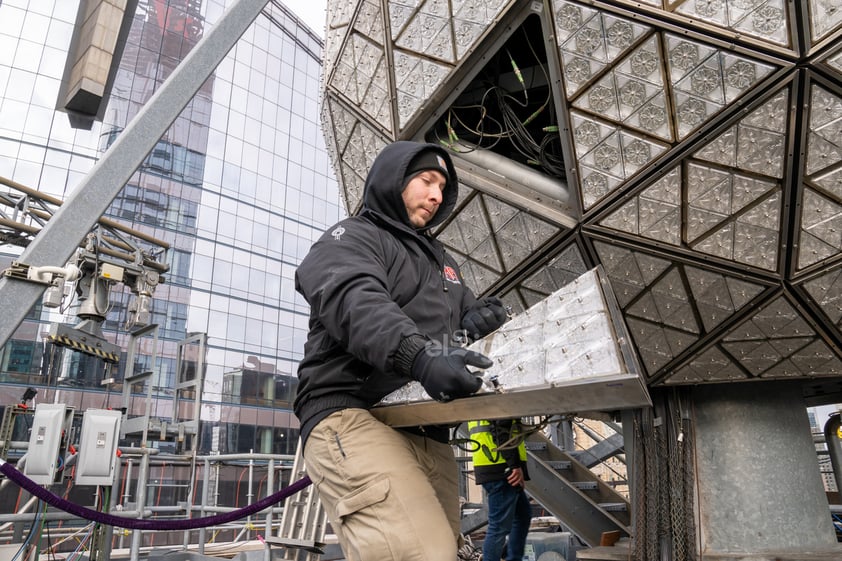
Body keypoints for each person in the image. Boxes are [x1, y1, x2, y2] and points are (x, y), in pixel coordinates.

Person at [293, 140, 508, 560]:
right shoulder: (351, 238)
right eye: (426, 180)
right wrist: (420, 356)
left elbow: (460, 318)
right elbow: (357, 301)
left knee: (445, 551)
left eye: (442, 188)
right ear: (393, 180)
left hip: (428, 426)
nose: (436, 194)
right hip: (355, 415)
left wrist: (481, 316)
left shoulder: (441, 264)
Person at [467, 418, 532, 561]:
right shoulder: (497, 400)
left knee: (522, 516)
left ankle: (513, 558)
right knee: (498, 527)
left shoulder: (479, 400)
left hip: (493, 463)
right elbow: (501, 432)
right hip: (501, 466)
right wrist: (514, 465)